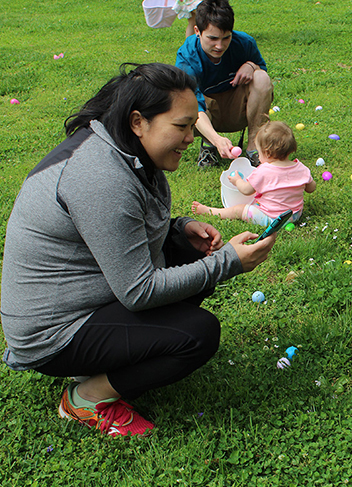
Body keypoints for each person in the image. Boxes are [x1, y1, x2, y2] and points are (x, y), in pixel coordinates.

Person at [0, 63, 277, 437]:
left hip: (86, 297)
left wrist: (179, 228)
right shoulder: (100, 177)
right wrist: (227, 262)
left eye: (191, 125)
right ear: (137, 122)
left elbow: (118, 229)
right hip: (53, 331)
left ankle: (106, 361)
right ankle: (85, 397)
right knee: (198, 334)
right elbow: (138, 291)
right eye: (180, 127)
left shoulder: (121, 148)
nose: (189, 138)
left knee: (190, 255)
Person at [176, 0, 273, 167]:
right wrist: (217, 140)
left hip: (235, 109)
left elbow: (262, 73)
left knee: (261, 78)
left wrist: (251, 66)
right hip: (204, 115)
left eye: (226, 37)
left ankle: (253, 149)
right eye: (212, 38)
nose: (219, 46)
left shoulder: (244, 43)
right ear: (197, 31)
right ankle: (209, 146)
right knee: (187, 102)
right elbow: (195, 107)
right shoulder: (187, 57)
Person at [191, 121, 316, 226]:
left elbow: (246, 190)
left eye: (259, 152)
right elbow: (311, 188)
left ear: (267, 153)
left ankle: (209, 211)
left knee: (239, 209)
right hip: (294, 215)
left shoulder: (264, 171)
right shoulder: (301, 168)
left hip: (272, 219)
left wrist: (237, 181)